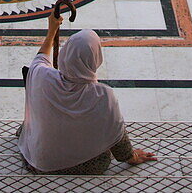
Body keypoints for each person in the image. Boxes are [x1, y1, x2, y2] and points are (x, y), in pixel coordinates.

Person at [17, 10, 156, 174]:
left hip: (40, 160)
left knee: (28, 127)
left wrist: (51, 31)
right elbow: (118, 141)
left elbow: (41, 58)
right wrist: (132, 157)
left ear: (66, 53)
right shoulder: (103, 97)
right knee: (104, 154)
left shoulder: (43, 76)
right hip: (86, 165)